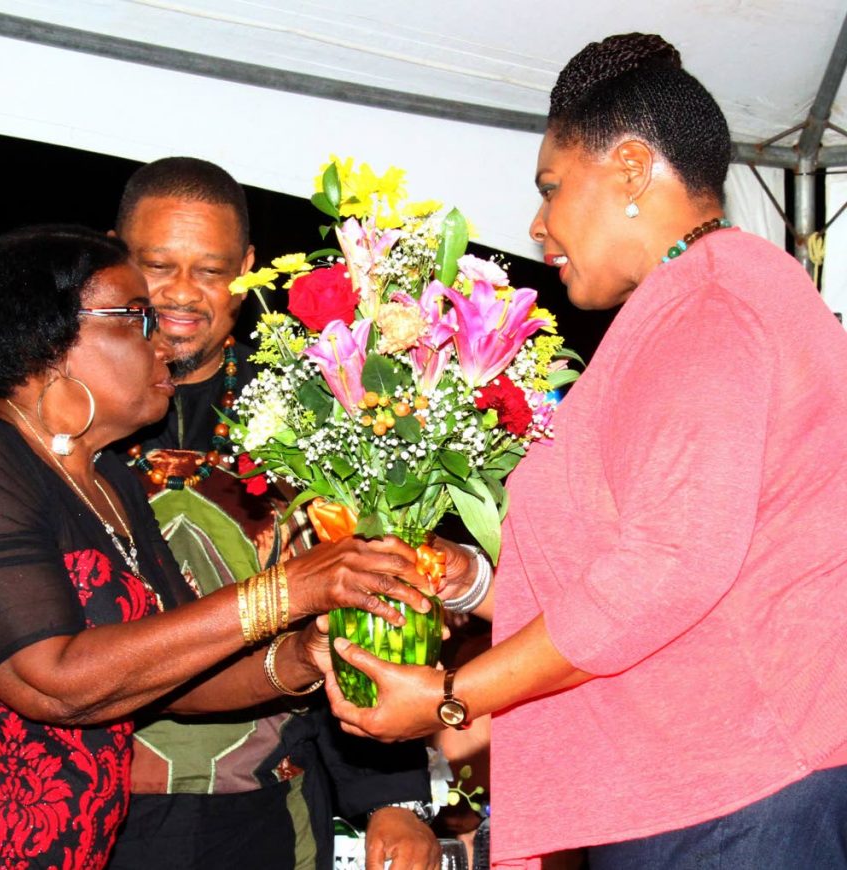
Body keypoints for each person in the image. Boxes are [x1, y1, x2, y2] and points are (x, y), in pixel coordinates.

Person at [325, 32, 847, 869]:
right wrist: (477, 582)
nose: (537, 226)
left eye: (551, 188)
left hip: (736, 793)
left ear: (633, 170)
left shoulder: (711, 306)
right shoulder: (700, 300)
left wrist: (454, 697)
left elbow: (667, 567)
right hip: (714, 783)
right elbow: (645, 565)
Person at [0, 225, 434, 868]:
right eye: (138, 318)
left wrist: (303, 657)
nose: (166, 341)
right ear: (50, 341)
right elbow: (53, 681)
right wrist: (287, 590)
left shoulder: (108, 476)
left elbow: (174, 675)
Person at [106, 157, 442, 869]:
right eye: (160, 265)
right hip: (93, 807)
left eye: (211, 269)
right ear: (117, 259)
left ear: (249, 267)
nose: (182, 295)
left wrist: (395, 800)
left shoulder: (310, 412)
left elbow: (370, 595)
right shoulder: (67, 411)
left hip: (266, 809)